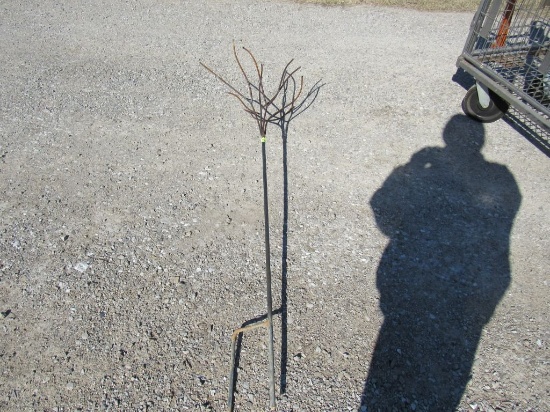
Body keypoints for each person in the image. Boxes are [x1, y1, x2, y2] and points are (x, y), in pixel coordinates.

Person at [360, 115, 521, 411]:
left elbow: (381, 208)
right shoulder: (502, 177)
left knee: (401, 353)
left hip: (428, 297)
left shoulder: (492, 178)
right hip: (465, 297)